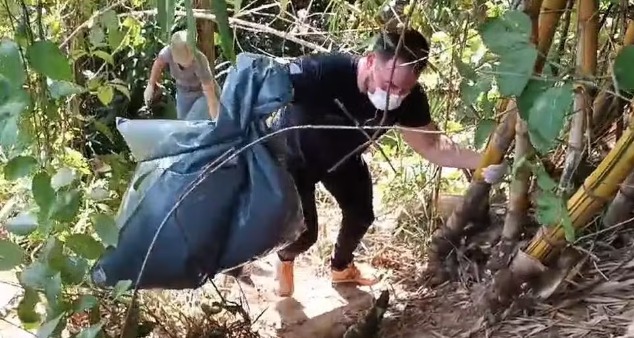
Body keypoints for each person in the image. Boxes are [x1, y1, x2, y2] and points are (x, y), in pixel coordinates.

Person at [269, 27, 508, 297]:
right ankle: (284, 260)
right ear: (371, 61)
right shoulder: (321, 72)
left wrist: (485, 161)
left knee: (361, 216)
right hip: (294, 158)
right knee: (303, 234)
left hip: (343, 160)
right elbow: (259, 88)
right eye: (389, 85)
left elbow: (433, 146)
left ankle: (341, 268)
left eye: (404, 90)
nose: (395, 95)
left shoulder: (411, 100)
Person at [144, 30, 219, 120]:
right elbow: (158, 64)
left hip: (202, 95)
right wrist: (151, 85)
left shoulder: (200, 61)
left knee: (191, 124)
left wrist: (216, 117)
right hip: (183, 92)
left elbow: (209, 92)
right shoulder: (167, 53)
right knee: (182, 124)